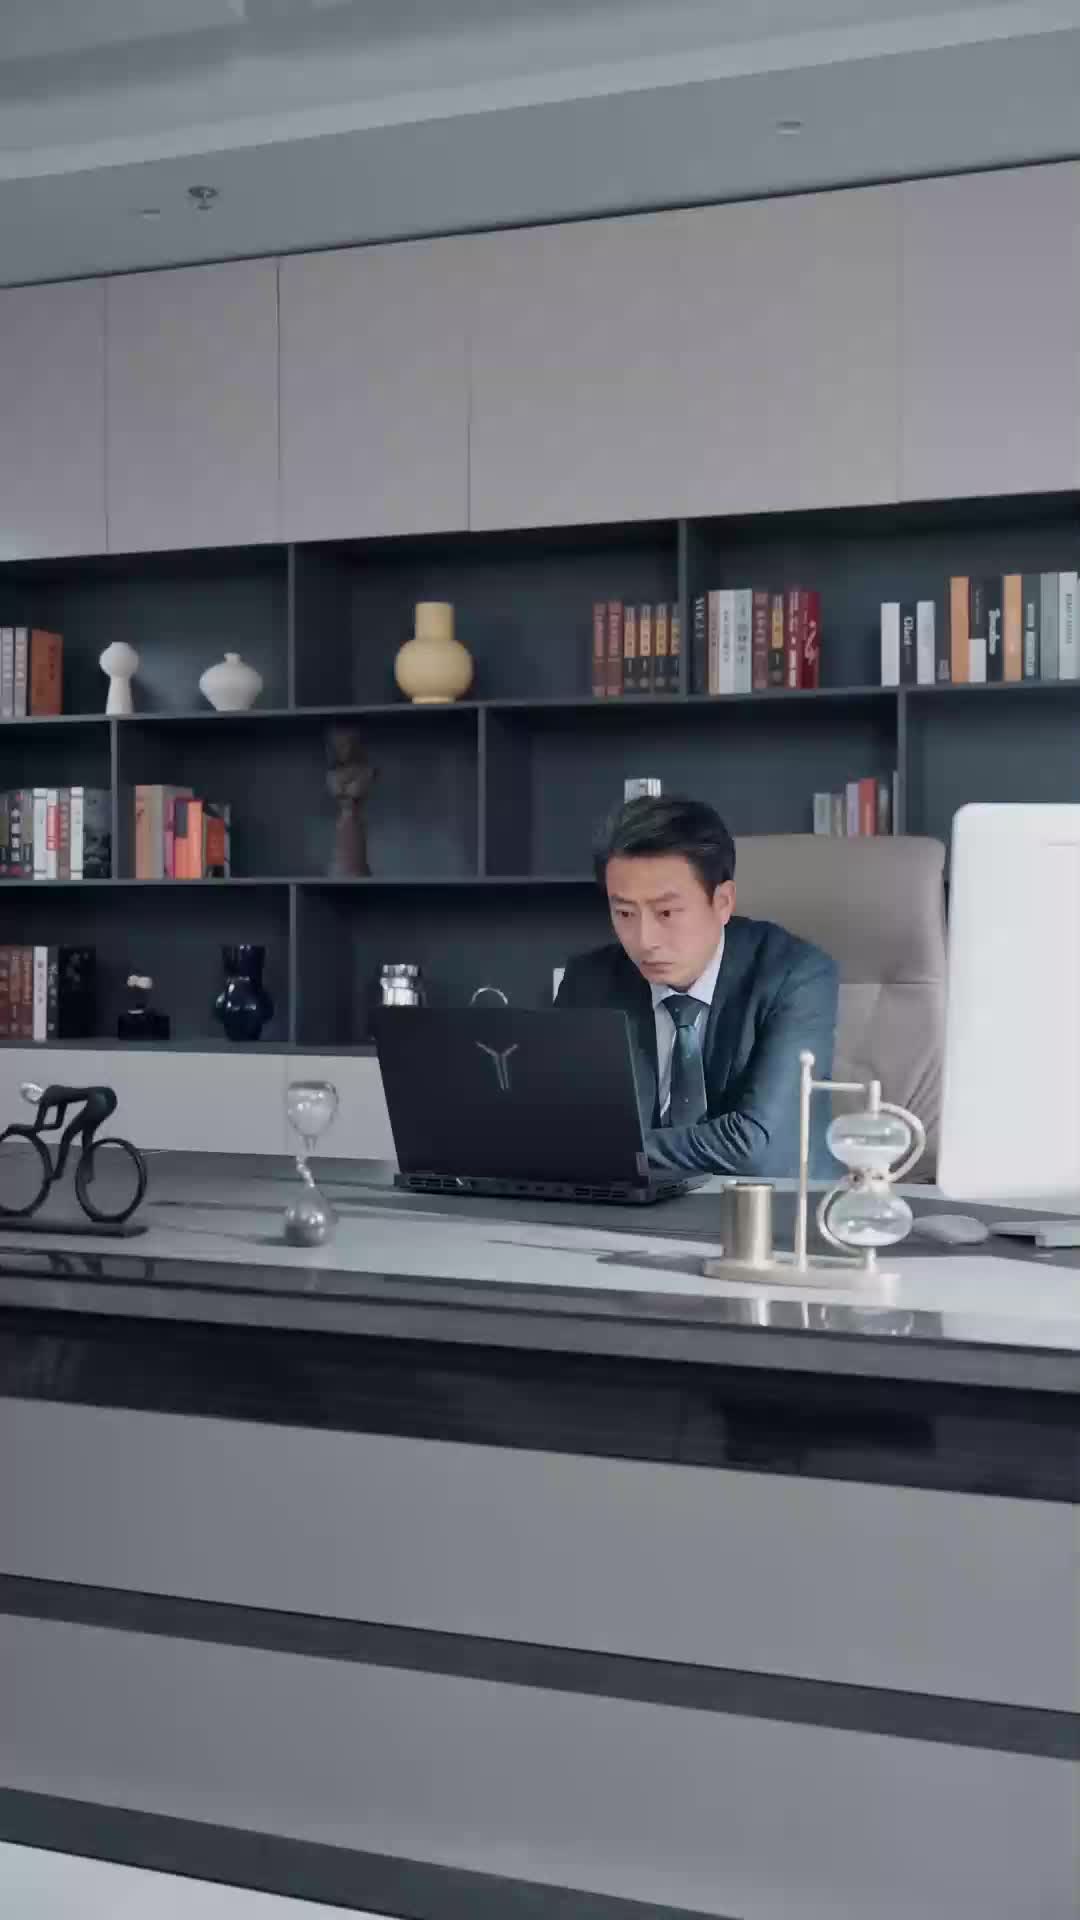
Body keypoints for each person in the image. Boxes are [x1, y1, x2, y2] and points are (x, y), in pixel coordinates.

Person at [555, 796, 838, 1176]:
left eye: (666, 912)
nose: (645, 940)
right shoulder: (589, 982)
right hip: (635, 1204)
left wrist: (605, 1147)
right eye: (624, 913)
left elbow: (755, 1146)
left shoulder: (796, 975)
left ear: (722, 902)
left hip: (778, 1205)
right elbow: (558, 1125)